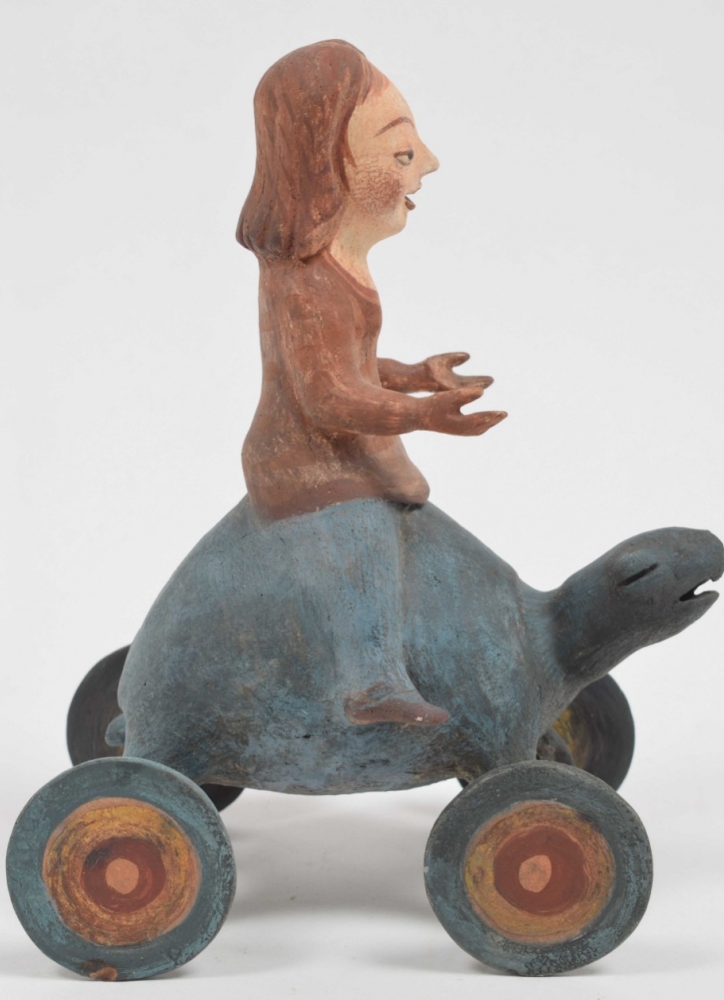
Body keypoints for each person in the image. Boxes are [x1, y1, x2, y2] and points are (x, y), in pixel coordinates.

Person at [237, 40, 506, 726]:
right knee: (364, 535)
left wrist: (414, 377)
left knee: (410, 512)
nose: (429, 163)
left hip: (342, 450)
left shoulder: (335, 265)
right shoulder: (306, 281)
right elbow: (326, 397)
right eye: (402, 153)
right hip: (306, 465)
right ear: (328, 171)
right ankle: (371, 684)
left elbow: (348, 363)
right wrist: (421, 415)